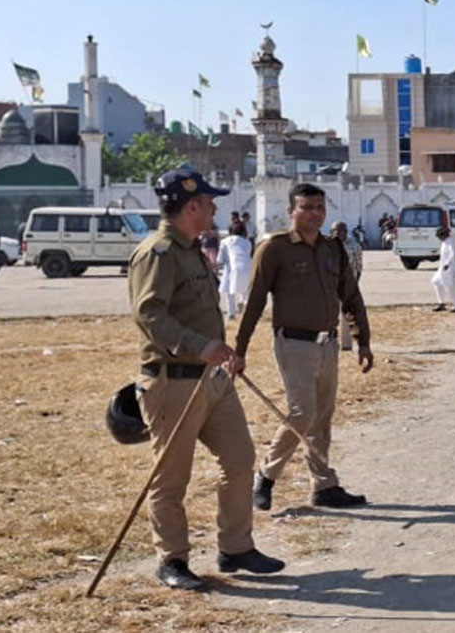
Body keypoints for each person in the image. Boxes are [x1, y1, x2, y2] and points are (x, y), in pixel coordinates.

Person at [129, 169, 283, 590]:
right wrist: (200, 346)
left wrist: (220, 352)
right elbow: (149, 315)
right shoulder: (158, 253)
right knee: (171, 478)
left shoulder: (192, 250)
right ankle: (172, 560)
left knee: (239, 460)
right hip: (173, 381)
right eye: (210, 202)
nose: (215, 208)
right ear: (192, 206)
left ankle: (235, 548)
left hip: (212, 379)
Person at [237, 182, 375, 513]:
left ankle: (323, 485)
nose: (315, 214)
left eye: (320, 208)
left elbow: (351, 296)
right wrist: (239, 350)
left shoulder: (332, 249)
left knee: (322, 418)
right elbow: (254, 301)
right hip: (293, 344)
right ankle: (266, 475)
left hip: (327, 344)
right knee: (302, 413)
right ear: (291, 212)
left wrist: (363, 340)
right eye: (307, 208)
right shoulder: (275, 249)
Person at [332, 220, 364, 351]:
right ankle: (331, 342)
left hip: (348, 284)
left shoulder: (354, 246)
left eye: (341, 231)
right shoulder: (328, 246)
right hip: (332, 283)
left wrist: (355, 283)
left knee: (347, 314)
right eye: (335, 231)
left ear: (345, 232)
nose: (338, 234)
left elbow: (359, 265)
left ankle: (346, 344)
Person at [217, 224, 253, 319]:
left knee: (229, 290)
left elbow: (220, 259)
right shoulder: (247, 242)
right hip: (248, 265)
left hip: (232, 266)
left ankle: (231, 313)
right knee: (245, 289)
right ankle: (244, 304)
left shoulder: (225, 241)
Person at [431, 226, 455, 313]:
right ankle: (441, 303)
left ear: (444, 234)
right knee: (436, 282)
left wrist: (447, 264)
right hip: (443, 268)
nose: (439, 238)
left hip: (449, 268)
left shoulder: (450, 242)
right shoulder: (444, 242)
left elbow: (452, 254)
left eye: (439, 236)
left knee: (451, 287)